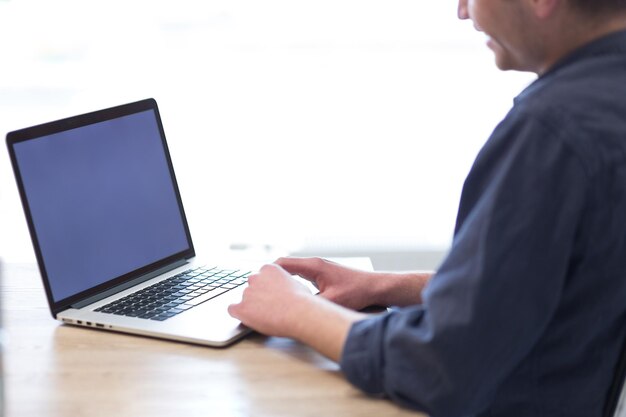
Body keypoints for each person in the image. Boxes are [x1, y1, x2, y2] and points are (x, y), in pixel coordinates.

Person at [228, 0, 626, 415]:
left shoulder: (552, 131)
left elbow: (441, 367)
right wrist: (385, 286)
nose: (462, 11)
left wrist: (295, 310)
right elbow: (546, 281)